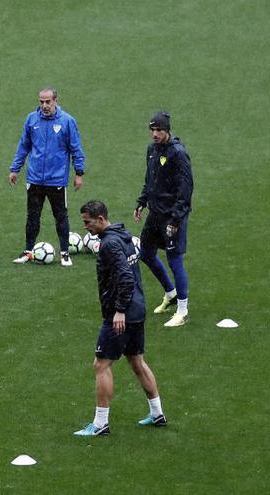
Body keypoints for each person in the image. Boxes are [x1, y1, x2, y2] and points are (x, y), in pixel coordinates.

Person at [74, 201, 166, 436]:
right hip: (137, 310)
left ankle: (100, 423)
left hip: (121, 315)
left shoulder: (109, 244)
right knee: (137, 361)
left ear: (101, 219)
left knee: (101, 364)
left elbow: (125, 279)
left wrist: (119, 311)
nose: (85, 226)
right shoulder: (123, 236)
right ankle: (157, 414)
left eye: (88, 221)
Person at [8, 87, 85, 266]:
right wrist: (15, 169)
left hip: (57, 180)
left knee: (61, 216)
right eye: (41, 102)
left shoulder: (67, 121)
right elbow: (24, 146)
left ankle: (65, 253)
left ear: (56, 100)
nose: (44, 105)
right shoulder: (31, 119)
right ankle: (28, 251)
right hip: (34, 179)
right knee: (32, 216)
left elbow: (76, 148)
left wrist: (79, 173)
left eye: (48, 101)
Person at [134, 111, 194, 327]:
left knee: (174, 259)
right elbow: (150, 179)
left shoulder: (178, 153)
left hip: (171, 216)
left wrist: (176, 218)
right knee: (146, 254)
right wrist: (142, 201)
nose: (155, 134)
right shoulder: (152, 150)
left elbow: (186, 189)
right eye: (152, 130)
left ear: (167, 130)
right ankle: (171, 293)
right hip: (155, 213)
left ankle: (183, 311)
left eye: (159, 130)